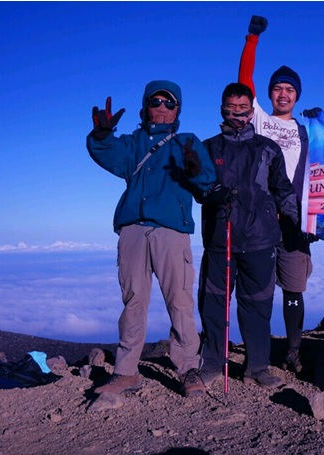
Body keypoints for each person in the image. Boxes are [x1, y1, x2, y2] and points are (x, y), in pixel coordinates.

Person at [87, 80, 216, 398]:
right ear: (145, 107)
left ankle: (188, 370)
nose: (162, 106)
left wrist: (195, 170)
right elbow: (107, 154)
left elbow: (207, 183)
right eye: (155, 101)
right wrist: (102, 136)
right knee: (134, 302)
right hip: (132, 230)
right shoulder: (133, 143)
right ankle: (126, 372)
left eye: (169, 103)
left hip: (171, 231)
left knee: (180, 302)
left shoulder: (187, 141)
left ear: (178, 110)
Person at [196, 82, 300, 389]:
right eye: (231, 108)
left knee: (257, 304)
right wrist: (213, 192)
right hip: (220, 238)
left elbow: (283, 189)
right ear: (222, 110)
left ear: (251, 111)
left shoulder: (267, 148)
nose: (238, 114)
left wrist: (295, 224)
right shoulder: (209, 147)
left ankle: (257, 366)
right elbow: (198, 189)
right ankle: (213, 362)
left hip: (260, 238)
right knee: (214, 303)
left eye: (243, 109)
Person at [237, 15, 320, 374]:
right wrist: (252, 40)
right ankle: (259, 354)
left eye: (290, 90)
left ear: (297, 95)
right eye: (278, 88)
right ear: (269, 93)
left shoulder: (306, 131)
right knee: (260, 288)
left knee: (293, 287)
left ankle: (293, 351)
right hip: (260, 216)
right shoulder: (258, 119)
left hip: (295, 219)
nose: (283, 93)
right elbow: (243, 80)